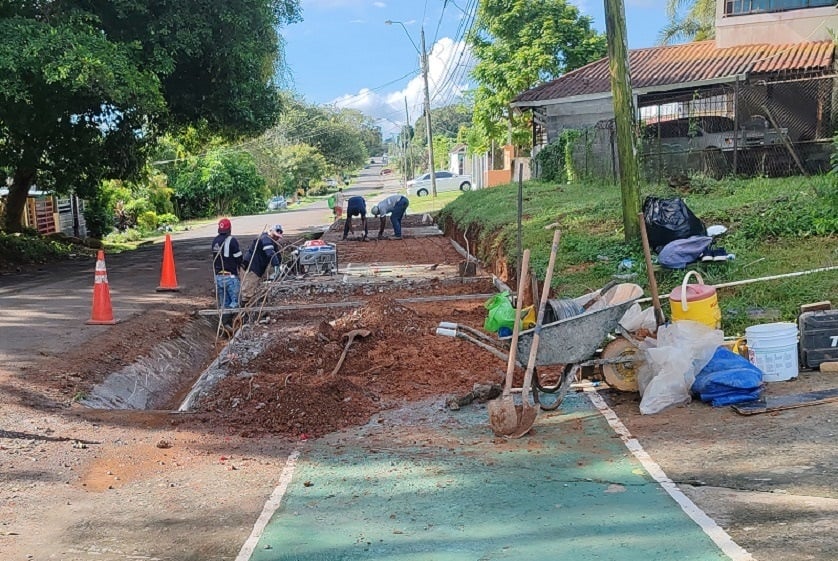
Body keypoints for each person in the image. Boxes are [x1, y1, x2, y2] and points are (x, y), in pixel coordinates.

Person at [240, 224, 283, 302]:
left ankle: (251, 307)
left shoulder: (272, 241)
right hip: (251, 268)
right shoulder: (265, 239)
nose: (277, 238)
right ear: (271, 232)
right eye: (276, 236)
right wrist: (276, 265)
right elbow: (270, 253)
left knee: (253, 290)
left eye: (278, 237)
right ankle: (244, 311)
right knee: (247, 292)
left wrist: (279, 264)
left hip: (257, 268)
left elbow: (276, 253)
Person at [211, 218, 242, 311]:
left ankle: (225, 323)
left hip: (218, 277)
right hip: (230, 277)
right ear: (230, 229)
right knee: (235, 304)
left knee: (224, 305)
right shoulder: (232, 240)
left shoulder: (215, 241)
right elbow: (238, 257)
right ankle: (235, 323)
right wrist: (241, 267)